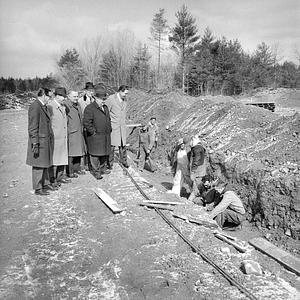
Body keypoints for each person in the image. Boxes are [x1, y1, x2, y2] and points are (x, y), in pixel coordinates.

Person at [26, 88, 55, 196]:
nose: (50, 99)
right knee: (38, 164)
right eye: (49, 97)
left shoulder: (43, 106)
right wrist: (35, 142)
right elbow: (32, 127)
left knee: (45, 163)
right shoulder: (35, 106)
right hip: (39, 141)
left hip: (45, 139)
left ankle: (45, 184)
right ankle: (38, 188)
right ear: (44, 95)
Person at [83, 84, 112, 180]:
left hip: (105, 135)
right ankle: (96, 172)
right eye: (102, 99)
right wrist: (93, 132)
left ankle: (103, 169)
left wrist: (109, 129)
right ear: (96, 98)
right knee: (95, 155)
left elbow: (108, 119)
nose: (103, 101)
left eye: (104, 99)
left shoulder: (106, 107)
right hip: (95, 137)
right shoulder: (90, 108)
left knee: (104, 153)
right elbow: (87, 123)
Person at [47, 87, 71, 185]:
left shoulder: (63, 106)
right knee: (54, 160)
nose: (64, 98)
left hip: (63, 137)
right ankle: (52, 180)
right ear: (56, 96)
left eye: (64, 96)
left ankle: (60, 177)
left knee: (62, 158)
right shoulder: (50, 106)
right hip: (55, 138)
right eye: (62, 96)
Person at [105, 85, 129, 168]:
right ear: (120, 91)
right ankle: (109, 163)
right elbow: (106, 112)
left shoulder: (125, 99)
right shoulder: (111, 99)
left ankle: (124, 161)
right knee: (112, 146)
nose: (126, 95)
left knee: (123, 146)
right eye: (125, 93)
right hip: (113, 126)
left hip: (122, 126)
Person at [64, 91, 86, 178]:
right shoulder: (66, 106)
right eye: (74, 96)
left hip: (78, 132)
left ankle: (77, 169)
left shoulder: (78, 105)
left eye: (77, 96)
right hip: (71, 132)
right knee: (71, 154)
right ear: (68, 96)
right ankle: (70, 171)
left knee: (78, 152)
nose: (76, 98)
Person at [188, 134, 207, 202]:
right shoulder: (200, 147)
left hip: (198, 170)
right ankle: (204, 198)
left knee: (196, 185)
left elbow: (196, 160)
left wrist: (193, 171)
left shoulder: (197, 148)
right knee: (199, 184)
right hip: (201, 170)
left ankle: (190, 200)